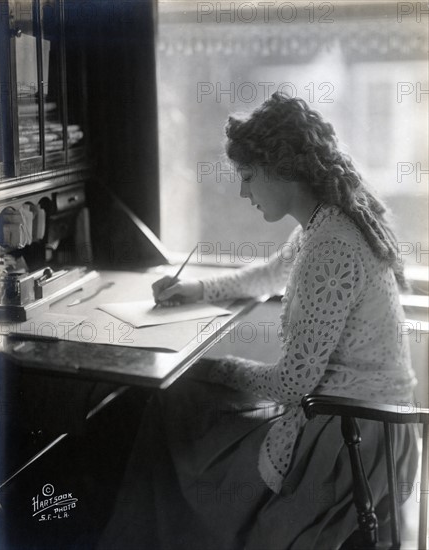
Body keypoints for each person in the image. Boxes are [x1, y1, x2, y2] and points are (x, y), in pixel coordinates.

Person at [98, 93, 418, 550]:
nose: (243, 193)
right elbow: (270, 272)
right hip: (362, 423)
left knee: (177, 402)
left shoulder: (331, 246)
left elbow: (292, 383)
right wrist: (196, 290)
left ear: (283, 169)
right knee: (183, 401)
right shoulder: (325, 222)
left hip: (350, 439)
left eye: (248, 178)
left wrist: (215, 368)